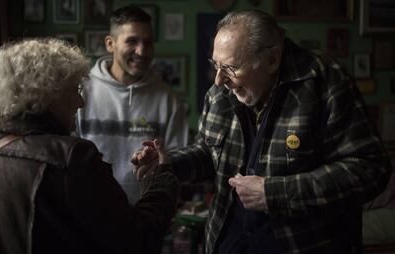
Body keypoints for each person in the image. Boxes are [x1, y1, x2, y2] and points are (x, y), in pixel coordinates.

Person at [132, 10, 392, 254]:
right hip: (227, 242)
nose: (218, 80)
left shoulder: (323, 81)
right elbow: (208, 153)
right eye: (215, 64)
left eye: (231, 68)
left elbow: (369, 169)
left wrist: (275, 193)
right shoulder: (222, 91)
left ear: (272, 59)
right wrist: (170, 163)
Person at [0, 38, 179, 254]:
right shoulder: (71, 156)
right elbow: (139, 239)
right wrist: (160, 178)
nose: (81, 102)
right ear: (47, 94)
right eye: (74, 90)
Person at [76, 5, 189, 204]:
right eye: (132, 41)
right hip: (89, 215)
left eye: (148, 42)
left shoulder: (168, 99)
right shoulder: (81, 92)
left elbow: (177, 166)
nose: (142, 51)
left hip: (147, 216)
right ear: (110, 44)